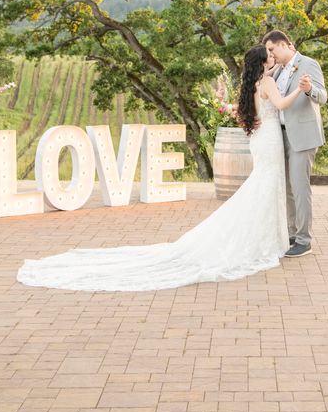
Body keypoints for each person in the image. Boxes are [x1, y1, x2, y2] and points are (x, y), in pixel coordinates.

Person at [16, 45, 307, 292]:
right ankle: (270, 240)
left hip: (259, 139)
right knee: (266, 186)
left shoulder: (253, 84)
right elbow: (280, 104)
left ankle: (268, 237)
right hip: (268, 138)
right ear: (263, 62)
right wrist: (301, 91)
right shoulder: (267, 83)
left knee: (262, 187)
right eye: (268, 53)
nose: (272, 55)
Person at [262, 30, 328, 257]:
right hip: (280, 136)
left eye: (272, 49)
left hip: (303, 135)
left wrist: (309, 90)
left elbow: (323, 96)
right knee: (288, 188)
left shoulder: (309, 64)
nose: (270, 54)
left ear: (285, 44)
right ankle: (292, 234)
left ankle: (304, 240)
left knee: (300, 188)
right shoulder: (277, 70)